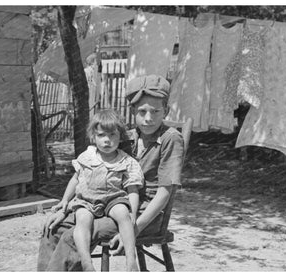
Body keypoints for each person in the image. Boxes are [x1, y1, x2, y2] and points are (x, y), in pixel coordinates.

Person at [37, 74, 184, 271]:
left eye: (156, 111)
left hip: (144, 215)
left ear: (166, 109)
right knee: (52, 229)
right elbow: (86, 173)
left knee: (71, 238)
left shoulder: (170, 139)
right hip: (107, 204)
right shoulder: (127, 138)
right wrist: (64, 208)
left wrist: (133, 230)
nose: (148, 118)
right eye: (142, 111)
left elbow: (164, 194)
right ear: (132, 111)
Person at [51, 109, 143, 271]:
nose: (107, 141)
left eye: (112, 135)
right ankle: (86, 262)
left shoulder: (126, 161)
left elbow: (132, 189)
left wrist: (133, 212)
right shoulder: (87, 157)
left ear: (120, 136)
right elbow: (75, 179)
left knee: (123, 214)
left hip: (113, 199)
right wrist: (65, 200)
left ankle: (130, 259)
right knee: (83, 220)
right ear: (93, 137)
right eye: (101, 135)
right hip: (86, 200)